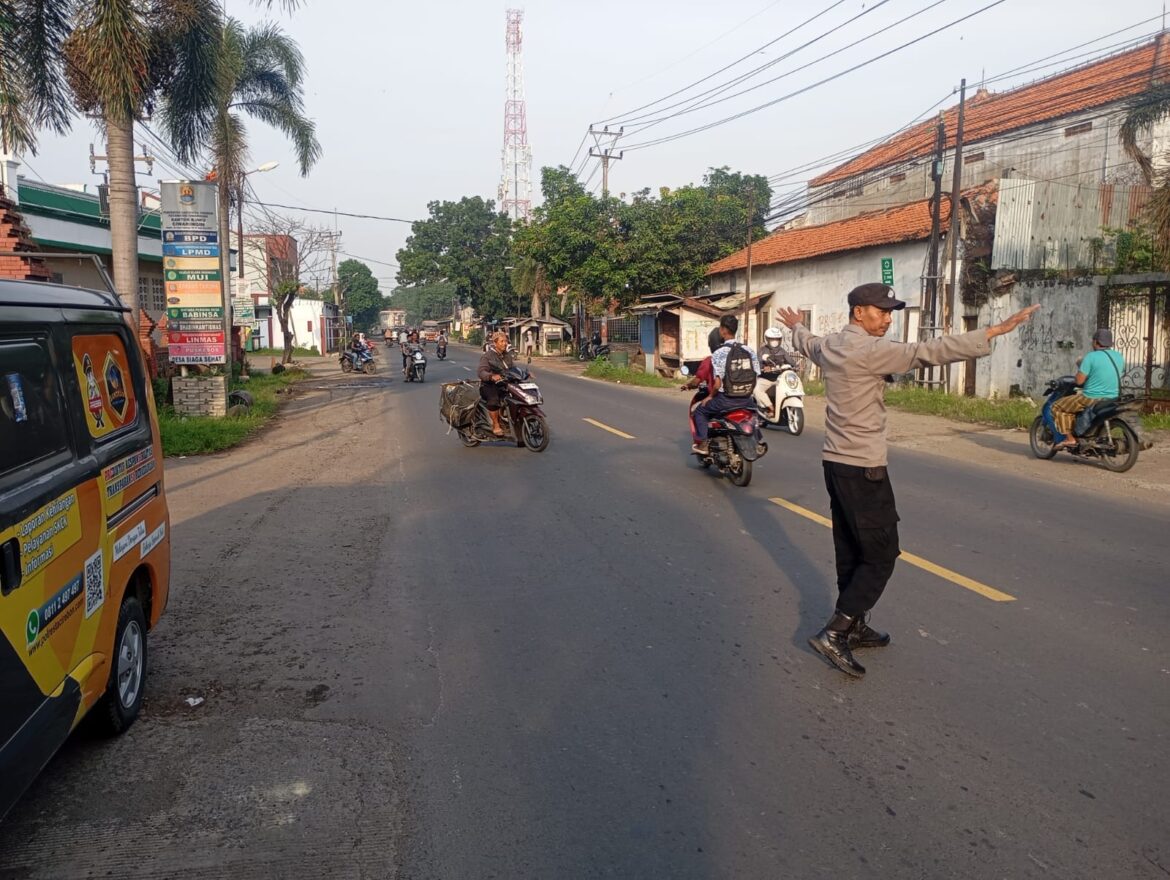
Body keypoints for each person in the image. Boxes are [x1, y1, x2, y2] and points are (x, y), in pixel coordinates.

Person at [775, 283, 1039, 678]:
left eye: (890, 311)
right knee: (882, 554)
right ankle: (836, 631)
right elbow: (928, 352)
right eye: (881, 311)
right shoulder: (871, 350)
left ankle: (856, 623)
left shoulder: (832, 345)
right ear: (859, 312)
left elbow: (808, 342)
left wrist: (796, 325)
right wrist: (993, 332)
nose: (888, 318)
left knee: (851, 547)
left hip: (834, 463)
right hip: (864, 468)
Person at [691, 314, 760, 455]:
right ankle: (758, 441)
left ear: (722, 330)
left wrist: (709, 397)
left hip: (725, 400)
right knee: (754, 416)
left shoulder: (719, 353)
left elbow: (717, 384)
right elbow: (756, 375)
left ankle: (703, 444)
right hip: (747, 399)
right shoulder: (749, 350)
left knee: (700, 411)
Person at [1053, 328, 1124, 447]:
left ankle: (1070, 438)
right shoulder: (1118, 356)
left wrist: (1080, 372)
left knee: (1057, 407)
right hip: (1112, 397)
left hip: (1091, 397)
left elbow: (1079, 381)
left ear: (1096, 342)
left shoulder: (1091, 357)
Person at [681, 327, 724, 442]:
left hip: (719, 398)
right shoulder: (735, 357)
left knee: (699, 412)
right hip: (741, 398)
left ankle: (703, 442)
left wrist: (688, 385)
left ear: (712, 344)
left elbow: (697, 380)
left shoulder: (710, 360)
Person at [478, 331, 516, 437]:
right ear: (495, 343)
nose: (505, 343)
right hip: (489, 385)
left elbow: (513, 369)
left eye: (506, 341)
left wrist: (525, 373)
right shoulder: (487, 356)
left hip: (504, 384)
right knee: (494, 400)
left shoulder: (507, 356)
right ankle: (496, 425)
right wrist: (491, 376)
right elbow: (481, 371)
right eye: (502, 341)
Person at [755, 326, 795, 416]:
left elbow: (791, 362)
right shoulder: (762, 351)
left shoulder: (782, 351)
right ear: (767, 339)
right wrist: (763, 367)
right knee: (757, 389)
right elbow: (757, 364)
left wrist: (795, 366)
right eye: (772, 339)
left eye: (777, 339)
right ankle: (771, 408)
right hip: (766, 378)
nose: (774, 341)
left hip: (781, 378)